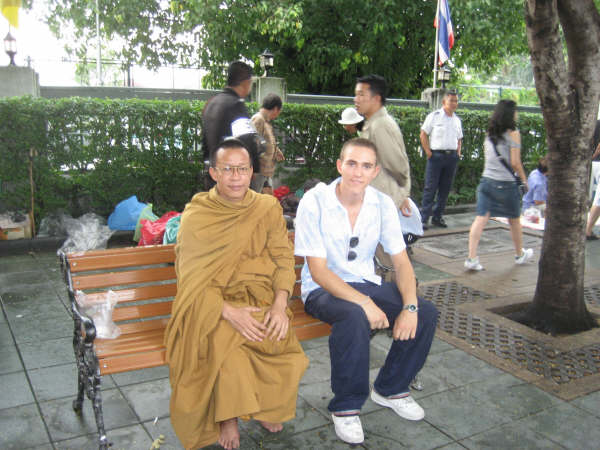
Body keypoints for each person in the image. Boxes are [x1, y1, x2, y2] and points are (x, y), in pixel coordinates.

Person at [164, 138, 308, 450]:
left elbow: (283, 258)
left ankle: (265, 405)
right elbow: (190, 277)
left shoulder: (267, 207)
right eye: (227, 169)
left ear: (252, 172)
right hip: (212, 300)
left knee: (274, 336)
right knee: (226, 341)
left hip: (259, 295)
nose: (235, 177)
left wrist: (280, 305)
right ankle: (227, 416)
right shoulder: (198, 215)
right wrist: (227, 311)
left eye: (242, 169)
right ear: (214, 173)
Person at [294, 138, 438, 445]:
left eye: (366, 166)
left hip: (365, 283)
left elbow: (401, 262)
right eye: (351, 163)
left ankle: (390, 388)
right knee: (353, 316)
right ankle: (346, 407)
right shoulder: (315, 201)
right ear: (339, 166)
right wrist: (364, 304)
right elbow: (318, 271)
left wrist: (410, 308)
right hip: (321, 289)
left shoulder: (382, 204)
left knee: (426, 313)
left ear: (375, 171)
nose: (358, 172)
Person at [465, 100, 533, 271]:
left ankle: (472, 258)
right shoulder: (513, 133)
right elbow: (516, 163)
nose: (517, 114)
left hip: (486, 181)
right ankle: (519, 254)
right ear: (510, 114)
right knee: (514, 220)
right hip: (506, 184)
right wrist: (525, 180)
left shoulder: (489, 133)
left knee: (480, 219)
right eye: (515, 111)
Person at [354, 74, 423, 243]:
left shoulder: (380, 126)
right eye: (356, 94)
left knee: (386, 259)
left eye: (361, 94)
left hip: (383, 204)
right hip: (375, 202)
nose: (356, 99)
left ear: (376, 98)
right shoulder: (373, 124)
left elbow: (398, 166)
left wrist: (401, 197)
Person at [201, 61, 262, 190]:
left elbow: (204, 141)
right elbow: (247, 139)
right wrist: (254, 169)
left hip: (212, 173)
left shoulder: (211, 103)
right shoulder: (236, 104)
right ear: (246, 82)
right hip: (232, 178)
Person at [419, 91, 463, 229]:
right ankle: (424, 219)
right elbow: (423, 134)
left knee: (445, 189)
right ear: (444, 102)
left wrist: (458, 152)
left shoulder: (457, 120)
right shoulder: (434, 116)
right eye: (451, 101)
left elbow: (459, 138)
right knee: (430, 188)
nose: (454, 104)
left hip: (451, 158)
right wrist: (428, 152)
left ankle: (438, 217)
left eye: (456, 101)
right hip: (436, 156)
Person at [250, 93, 285, 193]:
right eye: (279, 111)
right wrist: (252, 169)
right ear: (275, 109)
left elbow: (265, 141)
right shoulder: (258, 119)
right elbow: (252, 145)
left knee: (266, 201)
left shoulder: (265, 121)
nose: (277, 115)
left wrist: (276, 151)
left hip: (265, 171)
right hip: (258, 171)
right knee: (254, 201)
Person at [585, 120, 600, 240]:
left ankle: (588, 229)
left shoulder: (595, 123)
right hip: (598, 162)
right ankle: (588, 230)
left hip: (595, 163)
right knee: (599, 200)